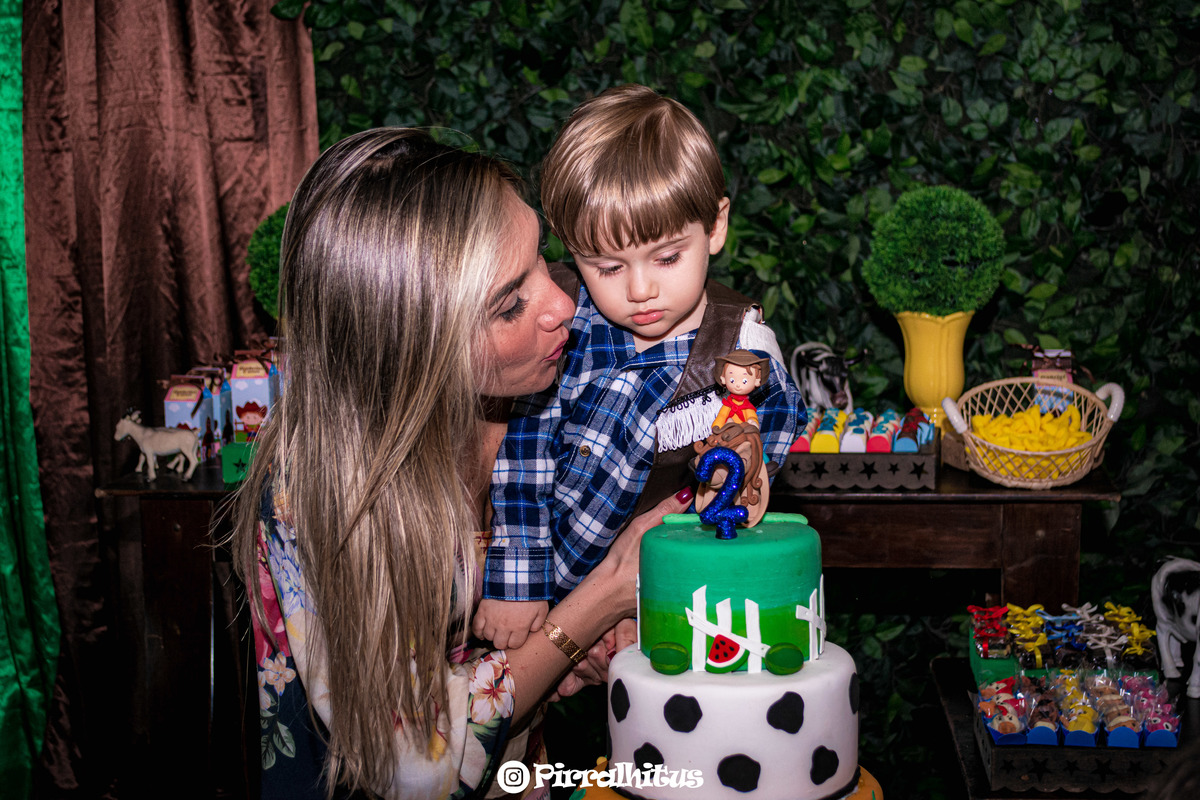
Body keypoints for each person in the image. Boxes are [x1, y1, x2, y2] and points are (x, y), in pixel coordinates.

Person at [230, 128, 690, 800]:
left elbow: (518, 649)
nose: (565, 304)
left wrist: (578, 652)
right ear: (413, 347)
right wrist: (603, 599)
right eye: (510, 304)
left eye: (543, 258)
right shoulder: (315, 490)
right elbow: (412, 766)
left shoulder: (546, 397)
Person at [474, 85, 806, 649]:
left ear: (715, 226)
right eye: (606, 265)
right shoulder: (562, 318)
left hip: (659, 600)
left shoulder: (741, 356)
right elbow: (525, 455)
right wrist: (517, 580)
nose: (641, 289)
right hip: (535, 594)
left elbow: (735, 504)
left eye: (668, 256)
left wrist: (655, 594)